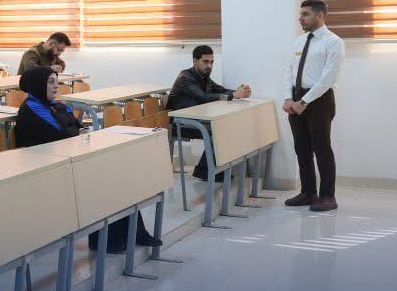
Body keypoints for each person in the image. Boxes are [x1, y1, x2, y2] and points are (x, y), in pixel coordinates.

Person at [15, 67, 159, 252]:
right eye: (50, 82)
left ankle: (134, 233)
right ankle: (107, 241)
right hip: (48, 168)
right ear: (38, 85)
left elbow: (78, 130)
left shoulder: (56, 105)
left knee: (118, 176)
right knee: (104, 182)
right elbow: (63, 135)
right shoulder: (32, 108)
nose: (56, 86)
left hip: (68, 159)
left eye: (56, 81)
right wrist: (78, 135)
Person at [282, 0, 343, 212]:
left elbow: (328, 77)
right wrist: (288, 98)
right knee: (302, 148)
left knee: (321, 148)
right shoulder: (299, 41)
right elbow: (289, 71)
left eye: (305, 14)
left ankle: (327, 196)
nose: (300, 18)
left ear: (320, 15)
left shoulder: (333, 42)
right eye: (300, 14)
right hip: (296, 98)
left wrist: (305, 101)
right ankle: (308, 193)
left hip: (319, 100)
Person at [168, 45, 253, 180]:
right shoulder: (185, 77)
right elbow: (203, 97)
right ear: (195, 61)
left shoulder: (204, 77)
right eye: (205, 62)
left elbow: (220, 90)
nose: (209, 66)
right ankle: (206, 171)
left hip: (197, 121)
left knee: (227, 126)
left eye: (212, 62)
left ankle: (205, 170)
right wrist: (234, 95)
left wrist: (237, 92)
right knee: (220, 129)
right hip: (181, 124)